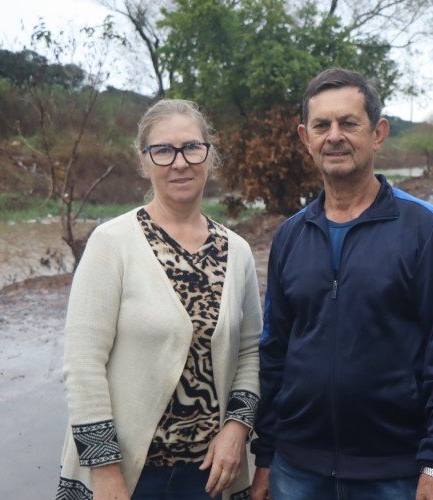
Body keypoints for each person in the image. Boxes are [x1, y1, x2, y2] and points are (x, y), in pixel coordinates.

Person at [251, 67, 433, 500]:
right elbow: (274, 351)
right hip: (296, 471)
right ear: (305, 138)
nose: (335, 136)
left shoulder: (424, 228)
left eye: (349, 123)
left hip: (394, 473)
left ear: (377, 133)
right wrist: (265, 455)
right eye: (322, 125)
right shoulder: (291, 235)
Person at [57, 99, 263, 500]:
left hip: (209, 476)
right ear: (144, 160)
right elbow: (83, 364)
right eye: (163, 150)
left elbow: (251, 352)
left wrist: (237, 430)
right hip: (130, 476)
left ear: (209, 155)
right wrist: (106, 473)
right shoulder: (111, 243)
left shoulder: (237, 252)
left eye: (191, 148)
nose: (180, 162)